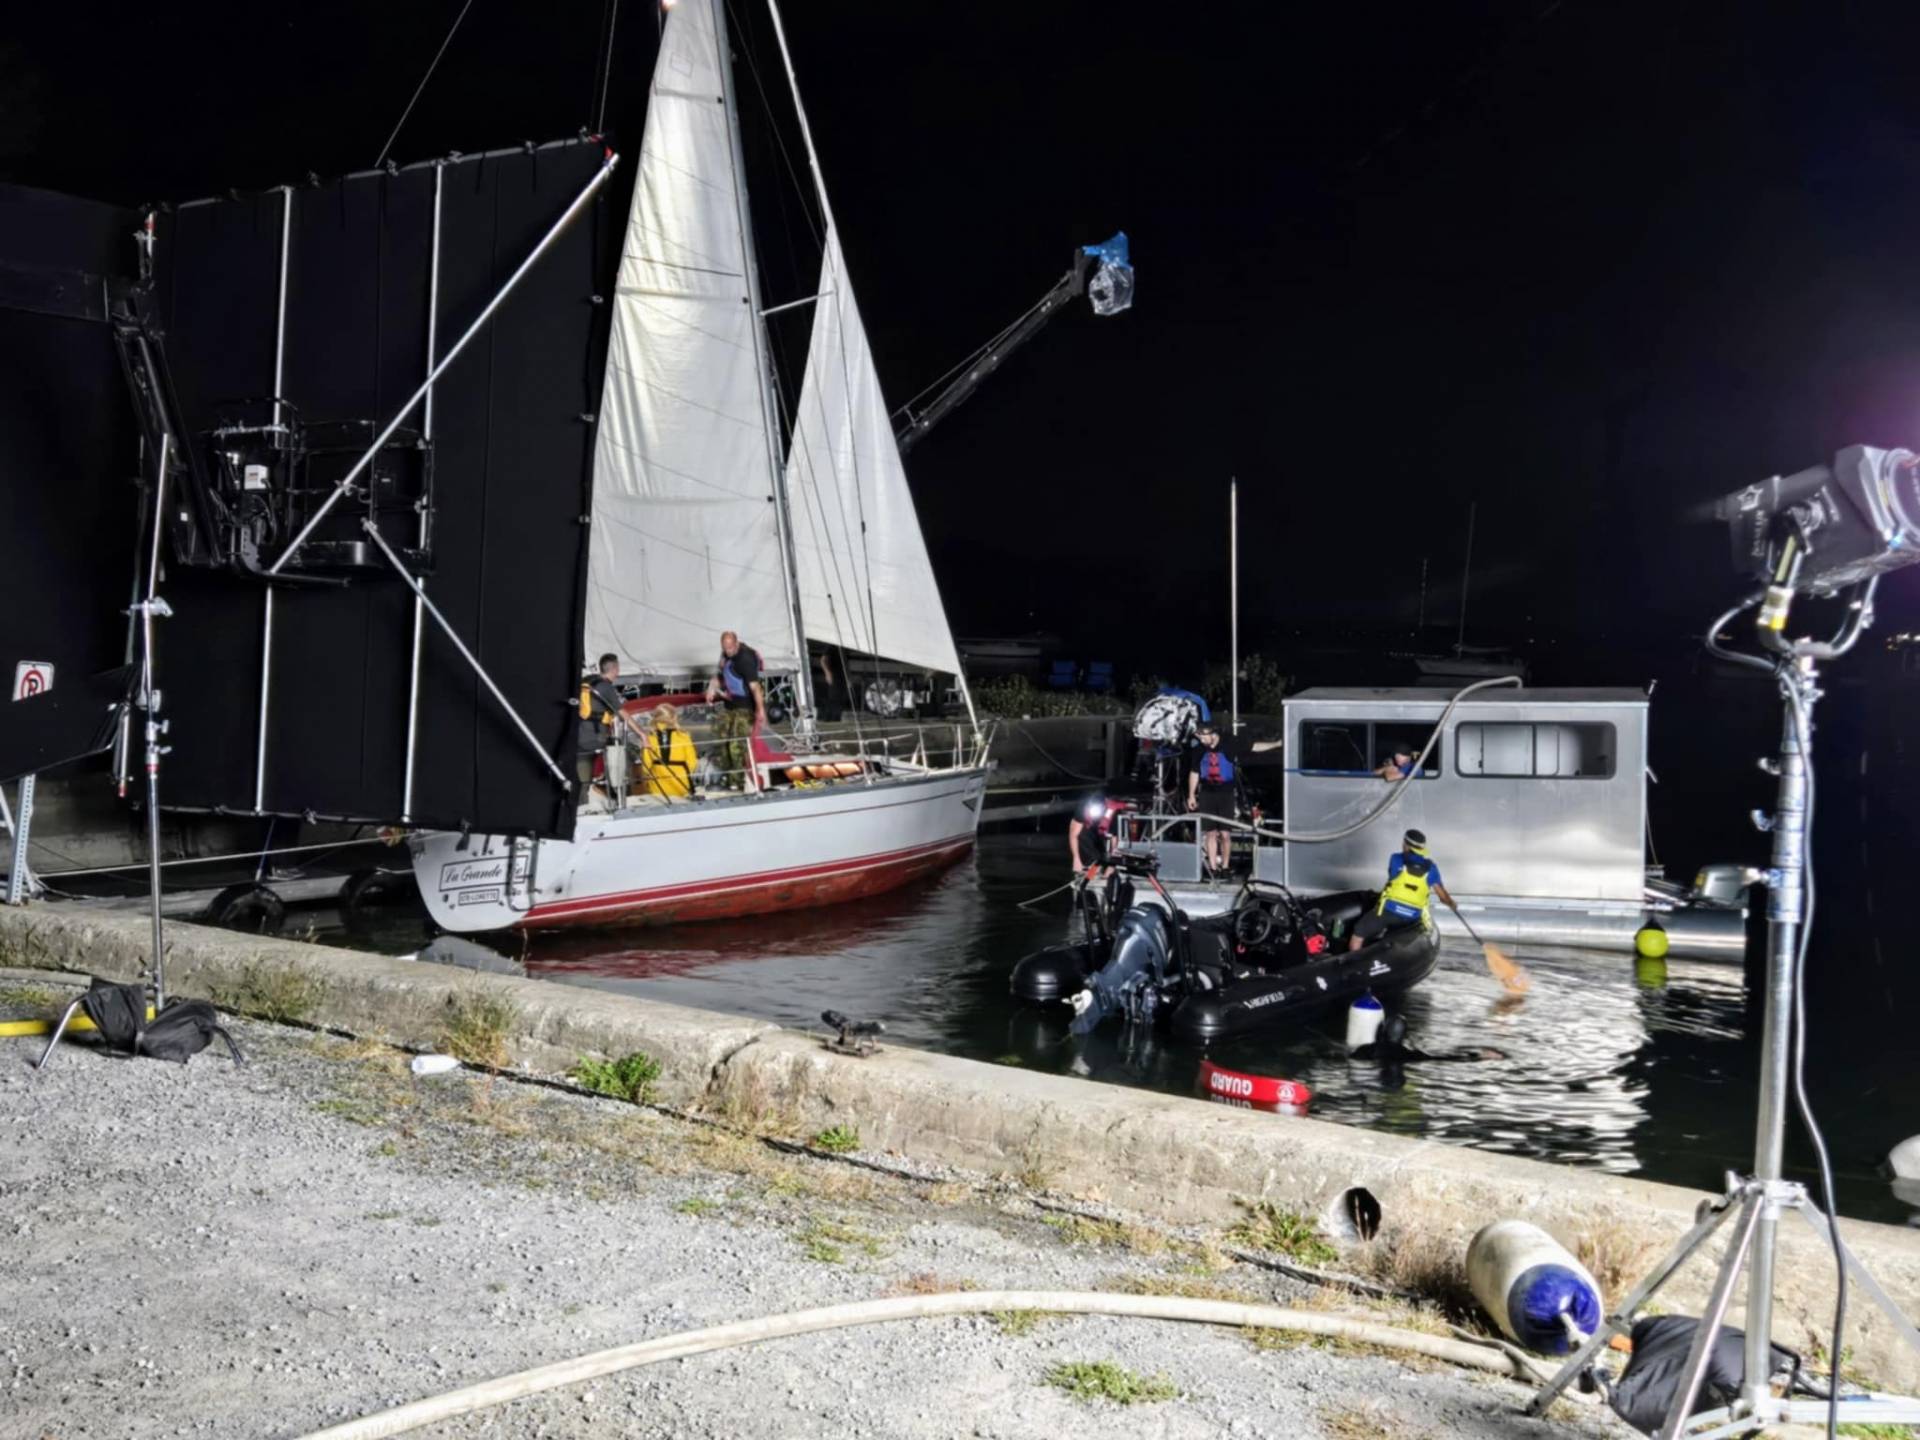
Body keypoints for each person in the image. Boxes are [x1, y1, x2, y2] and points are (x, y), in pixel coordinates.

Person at [1185, 722, 1283, 874]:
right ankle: (1213, 867)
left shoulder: (1230, 743)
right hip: (1207, 793)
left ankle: (1225, 866)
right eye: (1199, 737)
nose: (1202, 741)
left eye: (1203, 737)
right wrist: (1191, 795)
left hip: (1226, 793)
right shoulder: (1198, 750)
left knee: (1225, 833)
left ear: (1213, 734)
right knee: (1210, 832)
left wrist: (1276, 744)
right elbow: (1194, 772)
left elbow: (1254, 747)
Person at [1349, 828, 1458, 950]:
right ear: (1422, 848)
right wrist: (1452, 904)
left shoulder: (1396, 859)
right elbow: (1443, 897)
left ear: (1406, 844)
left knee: (1359, 932)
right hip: (1412, 916)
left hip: (1388, 911)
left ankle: (1353, 961)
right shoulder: (1431, 868)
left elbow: (1392, 879)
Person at [704, 631, 767, 790]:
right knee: (720, 738)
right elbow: (719, 677)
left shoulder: (744, 659)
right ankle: (725, 776)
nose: (728, 651)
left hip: (745, 706)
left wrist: (760, 710)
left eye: (731, 648)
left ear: (736, 643)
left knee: (736, 745)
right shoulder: (725, 655)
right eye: (725, 648)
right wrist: (711, 690)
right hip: (730, 704)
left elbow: (755, 687)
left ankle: (737, 783)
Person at [576, 652, 624, 793]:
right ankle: (615, 789)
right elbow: (623, 714)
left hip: (580, 737)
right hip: (597, 738)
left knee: (584, 776)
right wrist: (641, 733)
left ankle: (585, 801)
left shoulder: (586, 681)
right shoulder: (606, 687)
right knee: (626, 750)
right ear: (615, 669)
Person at [635, 702, 699, 798]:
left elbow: (646, 765)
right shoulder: (683, 736)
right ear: (674, 718)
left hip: (658, 786)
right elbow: (692, 762)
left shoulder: (650, 738)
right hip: (681, 783)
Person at [1068, 794, 1134, 875]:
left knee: (1110, 862)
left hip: (1107, 833)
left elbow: (1115, 840)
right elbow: (1073, 834)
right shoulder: (1082, 808)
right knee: (1083, 836)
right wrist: (1076, 859)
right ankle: (1092, 870)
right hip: (1091, 833)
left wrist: (1113, 865)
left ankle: (1104, 868)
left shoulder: (1113, 812)